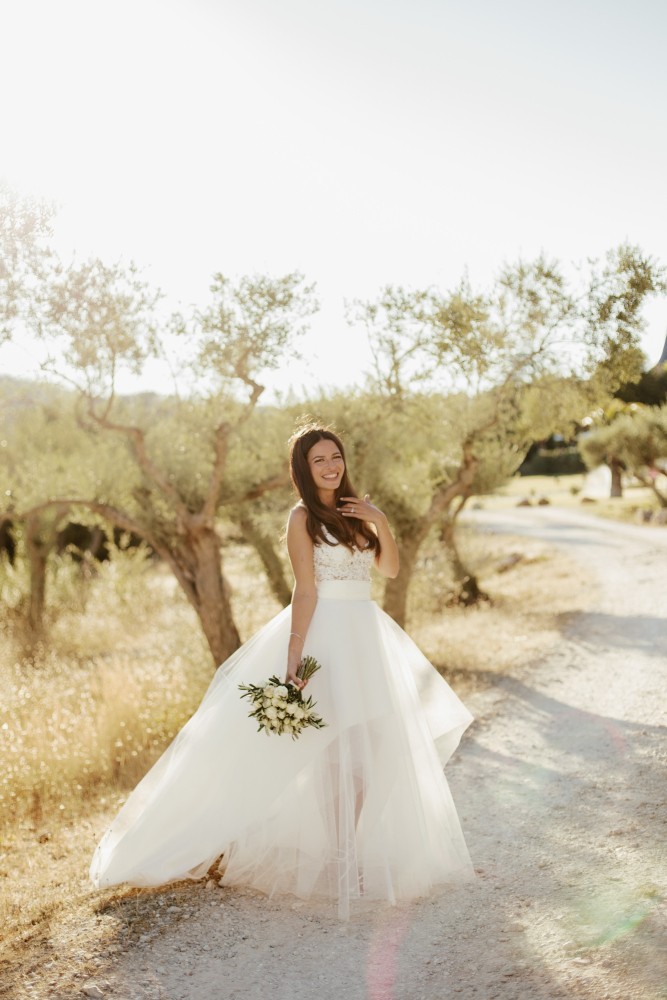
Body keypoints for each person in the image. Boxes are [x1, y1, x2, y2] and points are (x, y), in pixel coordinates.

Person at [90, 425, 474, 919]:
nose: (331, 466)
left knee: (374, 745)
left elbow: (391, 571)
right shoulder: (301, 518)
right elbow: (305, 590)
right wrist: (295, 655)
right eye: (320, 461)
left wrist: (380, 521)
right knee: (333, 749)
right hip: (326, 637)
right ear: (303, 469)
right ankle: (343, 856)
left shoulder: (358, 511)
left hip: (367, 634)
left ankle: (349, 846)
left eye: (336, 456)